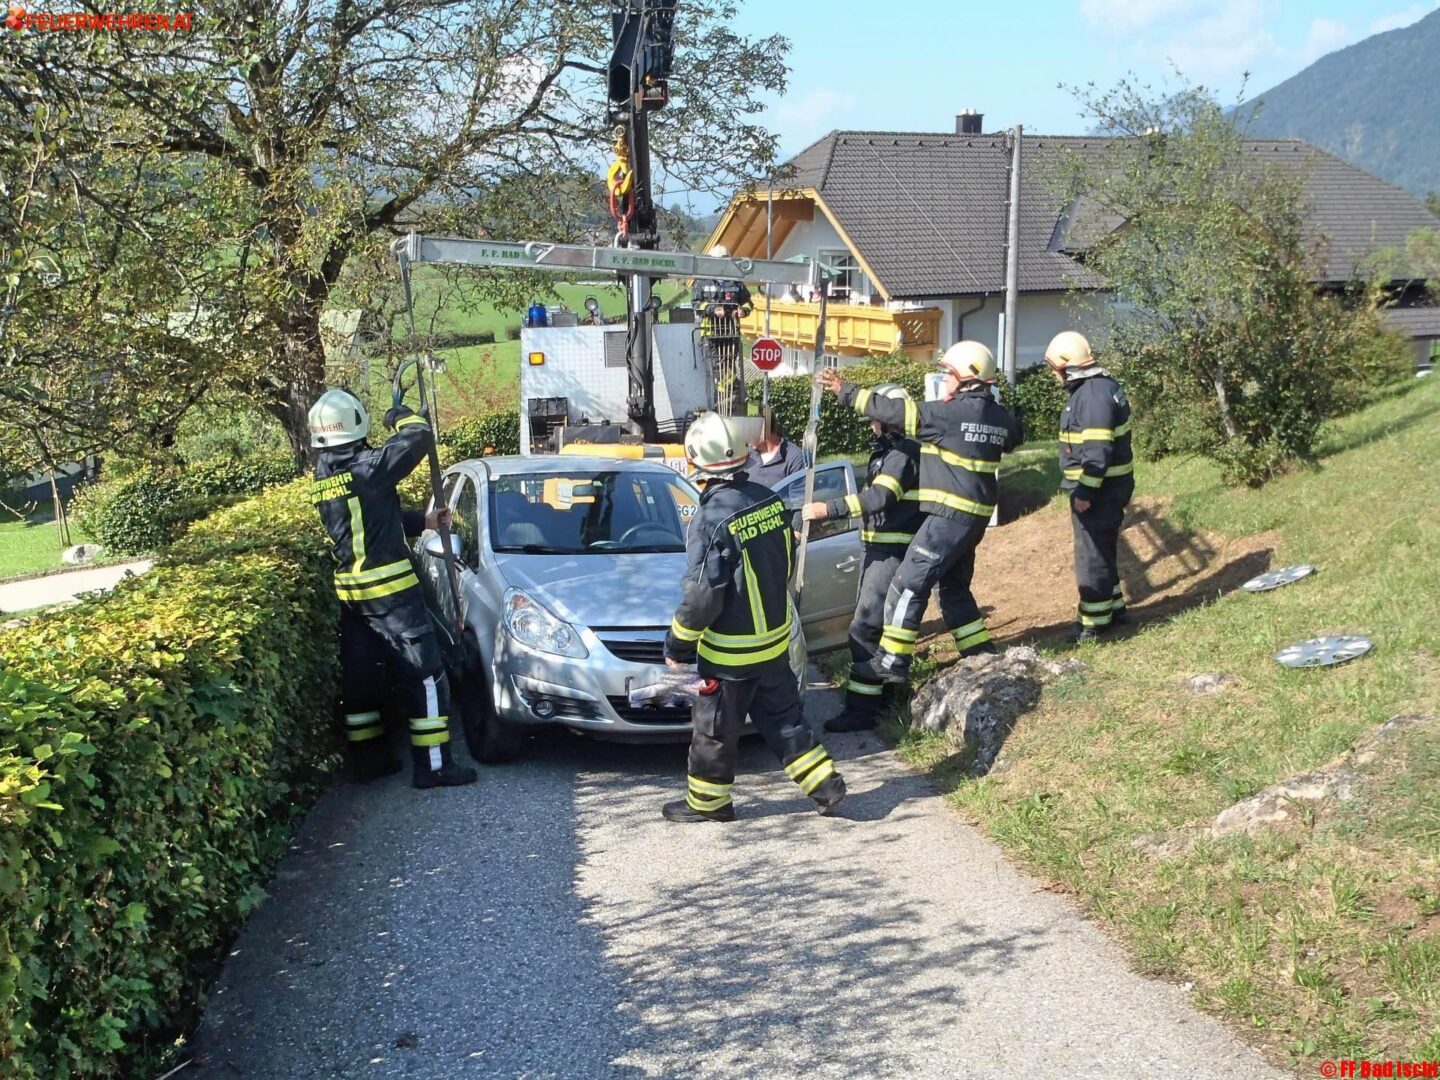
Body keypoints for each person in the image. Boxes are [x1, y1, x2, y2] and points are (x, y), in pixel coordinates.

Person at [662, 411, 847, 823]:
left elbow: (702, 594)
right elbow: (785, 562)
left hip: (730, 655)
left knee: (714, 729)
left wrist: (678, 643)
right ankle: (825, 784)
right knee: (784, 721)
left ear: (697, 462)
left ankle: (709, 804)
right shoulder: (769, 500)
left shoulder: (712, 517)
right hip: (773, 644)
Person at [820, 341, 1022, 684]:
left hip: (949, 515)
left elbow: (897, 412)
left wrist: (845, 391)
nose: (944, 381)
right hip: (976, 517)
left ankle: (892, 661)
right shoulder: (997, 416)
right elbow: (1014, 436)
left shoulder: (950, 414)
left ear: (965, 378)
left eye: (947, 374)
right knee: (954, 589)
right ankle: (979, 653)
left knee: (908, 583)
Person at [308, 388, 478, 789]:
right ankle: (434, 767)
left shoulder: (324, 473)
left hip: (353, 596)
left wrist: (425, 521)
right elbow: (418, 437)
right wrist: (400, 416)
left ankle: (369, 761)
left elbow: (371, 518)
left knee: (361, 681)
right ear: (355, 424)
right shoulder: (367, 467)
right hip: (391, 595)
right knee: (427, 676)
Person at [800, 383, 924, 732]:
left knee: (864, 628)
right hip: (879, 548)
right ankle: (884, 696)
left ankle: (862, 710)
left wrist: (830, 509)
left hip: (891, 552)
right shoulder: (890, 450)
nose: (872, 424)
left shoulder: (904, 453)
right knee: (876, 628)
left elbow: (879, 498)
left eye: (876, 418)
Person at [1044, 331, 1135, 643]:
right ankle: (1114, 606)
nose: (1054, 375)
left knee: (1091, 555)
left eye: (1054, 369)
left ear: (1066, 366)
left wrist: (1085, 492)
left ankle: (1094, 625)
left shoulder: (1092, 396)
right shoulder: (1098, 389)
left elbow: (1097, 453)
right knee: (1102, 549)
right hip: (1107, 488)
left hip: (1099, 490)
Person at [742, 412, 806, 489]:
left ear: (763, 430)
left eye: (748, 431)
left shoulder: (794, 458)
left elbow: (798, 499)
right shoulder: (747, 453)